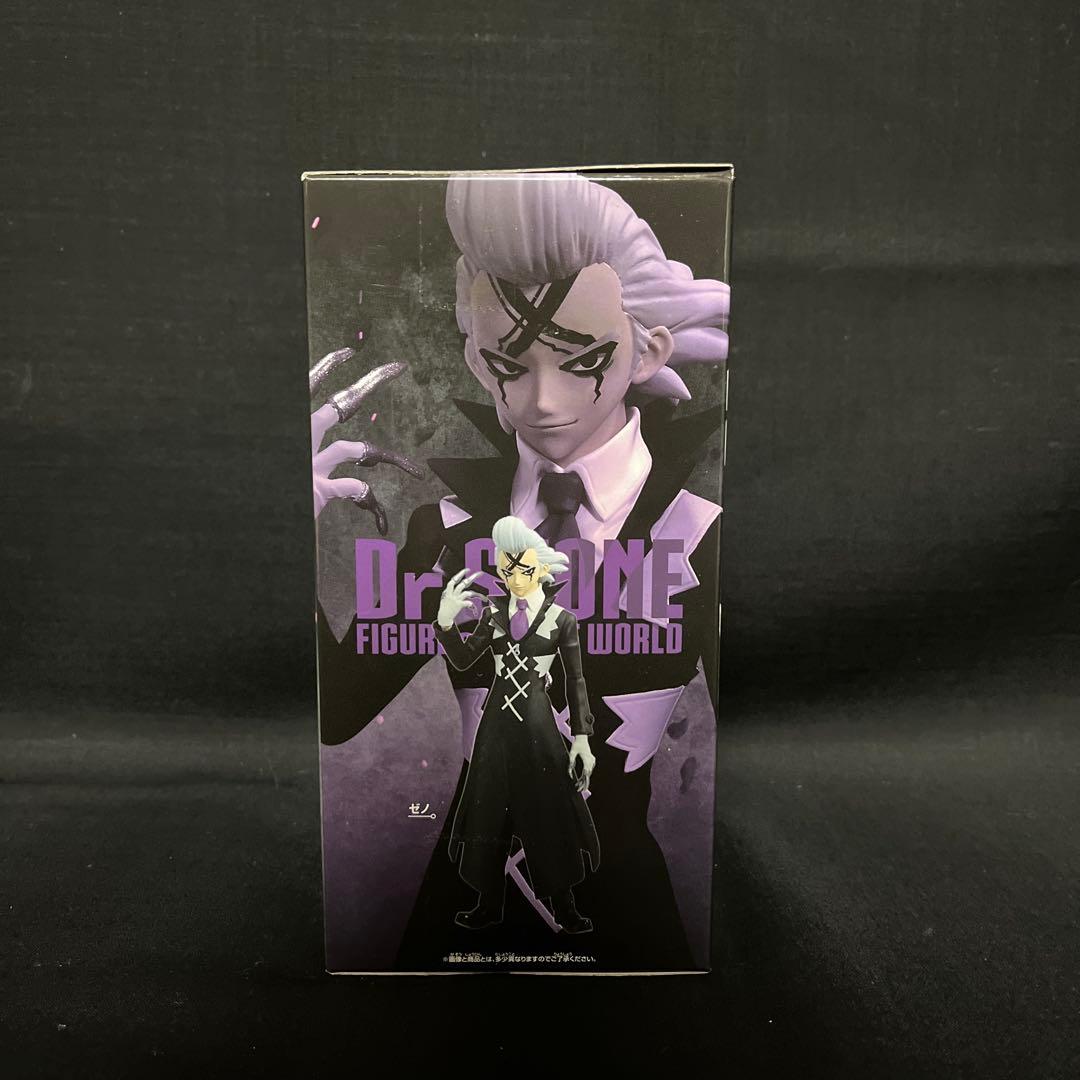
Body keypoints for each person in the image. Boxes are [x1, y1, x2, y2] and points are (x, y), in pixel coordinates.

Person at [312, 172, 729, 969]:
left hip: (624, 933)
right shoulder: (445, 533)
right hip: (461, 927)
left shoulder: (698, 534)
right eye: (512, 363)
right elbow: (335, 709)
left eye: (583, 359)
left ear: (650, 349)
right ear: (476, 359)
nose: (542, 401)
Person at [433, 516, 599, 934]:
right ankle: (488, 904)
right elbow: (464, 660)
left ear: (542, 566)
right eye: (507, 570)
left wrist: (582, 738)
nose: (515, 579)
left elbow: (576, 680)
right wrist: (446, 623)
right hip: (495, 732)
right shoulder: (493, 614)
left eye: (523, 569)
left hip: (540, 731)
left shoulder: (562, 620)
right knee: (488, 812)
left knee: (549, 812)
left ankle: (565, 906)